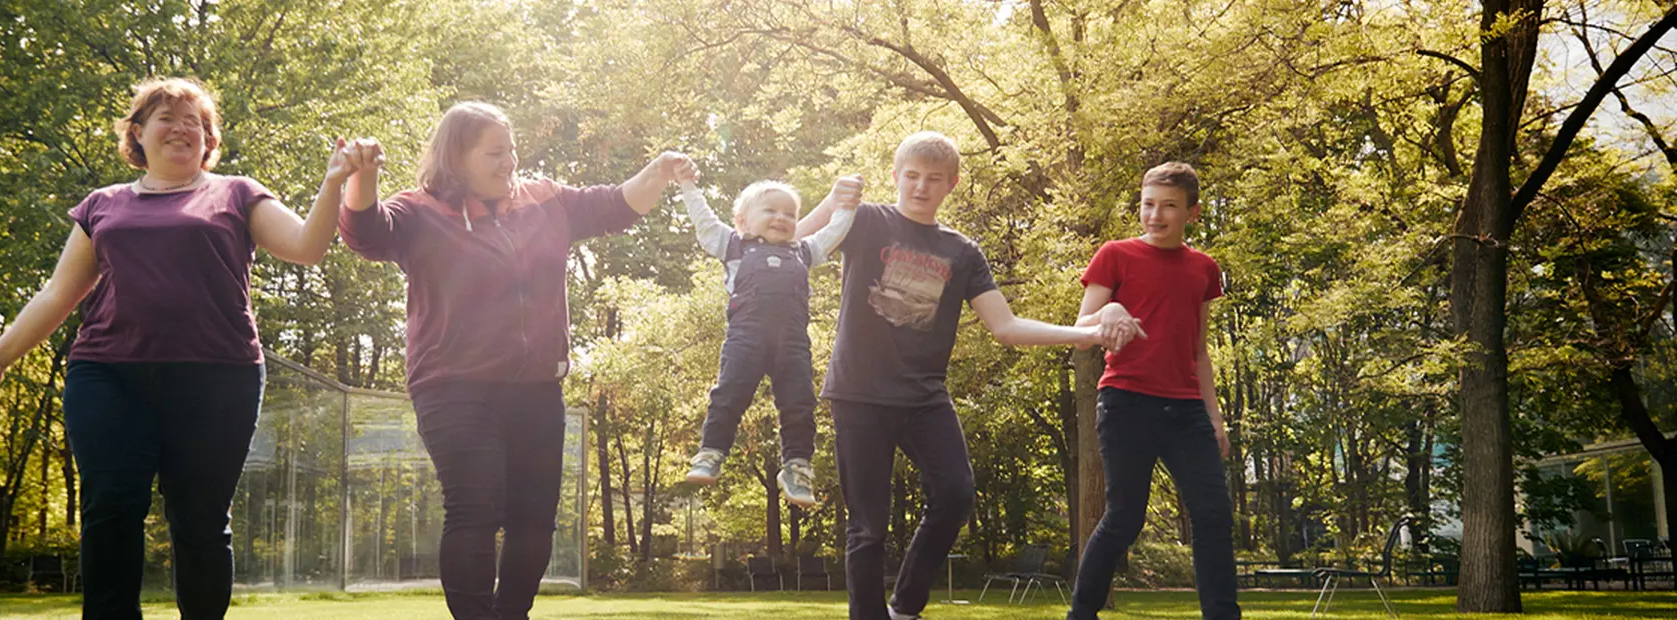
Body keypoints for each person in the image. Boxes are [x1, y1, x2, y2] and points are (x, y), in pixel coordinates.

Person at [0, 77, 376, 619]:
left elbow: (306, 247)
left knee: (199, 521)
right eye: (166, 118)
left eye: (195, 123)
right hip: (108, 375)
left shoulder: (236, 193)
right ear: (137, 133)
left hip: (217, 378)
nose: (182, 129)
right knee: (110, 511)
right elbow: (59, 294)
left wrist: (336, 180)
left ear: (208, 140)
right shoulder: (102, 206)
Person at [338, 101, 695, 620]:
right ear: (456, 159)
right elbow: (364, 232)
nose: (509, 162)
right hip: (454, 385)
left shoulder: (543, 199)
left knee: (534, 518)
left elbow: (616, 205)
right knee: (475, 506)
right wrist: (362, 177)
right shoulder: (420, 211)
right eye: (494, 153)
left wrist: (659, 170)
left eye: (512, 150)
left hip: (536, 388)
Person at [790, 131, 1139, 620]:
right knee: (867, 527)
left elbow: (1006, 325)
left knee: (955, 494)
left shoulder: (962, 251)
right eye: (911, 176)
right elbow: (791, 248)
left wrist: (1083, 335)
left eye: (933, 179)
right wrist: (831, 202)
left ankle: (905, 608)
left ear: (951, 184)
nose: (920, 187)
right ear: (895, 176)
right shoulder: (867, 221)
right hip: (859, 394)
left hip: (923, 397)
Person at [1067, 161, 1237, 620]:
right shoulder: (1115, 255)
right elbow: (1079, 327)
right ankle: (1081, 614)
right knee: (1125, 518)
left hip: (1186, 411)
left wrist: (1215, 420)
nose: (1155, 215)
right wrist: (1112, 310)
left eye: (1169, 206)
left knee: (1214, 516)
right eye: (1148, 204)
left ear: (1192, 213)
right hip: (1126, 402)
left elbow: (1198, 351)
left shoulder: (1204, 268)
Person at [679, 176, 862, 507]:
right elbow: (704, 220)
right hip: (744, 340)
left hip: (792, 345)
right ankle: (711, 452)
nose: (782, 218)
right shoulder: (732, 245)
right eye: (771, 211)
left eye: (790, 214)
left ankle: (797, 467)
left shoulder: (804, 251)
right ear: (742, 220)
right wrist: (689, 186)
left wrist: (847, 207)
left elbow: (834, 232)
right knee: (729, 394)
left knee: (799, 404)